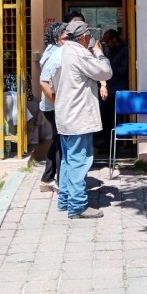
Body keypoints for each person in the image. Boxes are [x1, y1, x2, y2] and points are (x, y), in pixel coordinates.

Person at [54, 19, 112, 219]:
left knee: (68, 160)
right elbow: (105, 72)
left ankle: (65, 200)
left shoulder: (59, 51)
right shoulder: (79, 53)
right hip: (77, 116)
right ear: (85, 37)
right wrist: (99, 53)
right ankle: (78, 206)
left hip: (64, 114)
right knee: (79, 160)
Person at [38, 21, 67, 190]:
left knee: (57, 140)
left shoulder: (52, 50)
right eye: (66, 37)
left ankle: (47, 178)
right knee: (61, 142)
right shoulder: (55, 53)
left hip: (51, 105)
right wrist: (57, 104)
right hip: (52, 106)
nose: (69, 40)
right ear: (57, 39)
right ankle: (60, 181)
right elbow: (44, 81)